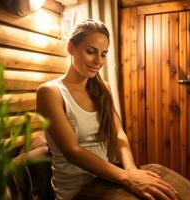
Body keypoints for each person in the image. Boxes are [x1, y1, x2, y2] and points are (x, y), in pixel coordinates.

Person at [36, 19, 180, 200]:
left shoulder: (104, 88)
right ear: (70, 48)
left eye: (103, 54)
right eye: (91, 52)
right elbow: (72, 151)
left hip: (108, 181)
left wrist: (132, 170)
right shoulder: (50, 92)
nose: (98, 61)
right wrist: (127, 177)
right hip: (76, 192)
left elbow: (118, 134)